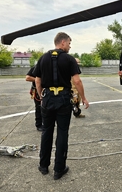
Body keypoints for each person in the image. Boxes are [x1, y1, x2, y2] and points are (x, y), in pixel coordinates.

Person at [34, 32, 89, 180]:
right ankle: (59, 169)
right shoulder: (69, 59)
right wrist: (83, 98)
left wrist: (41, 96)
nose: (70, 46)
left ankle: (43, 166)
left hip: (48, 99)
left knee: (47, 131)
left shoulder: (43, 58)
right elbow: (77, 81)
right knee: (62, 133)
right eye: (69, 43)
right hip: (63, 99)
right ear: (63, 43)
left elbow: (37, 81)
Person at [26, 65, 43, 131]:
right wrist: (38, 80)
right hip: (37, 90)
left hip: (47, 90)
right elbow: (27, 78)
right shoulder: (36, 67)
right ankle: (39, 124)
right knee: (39, 107)